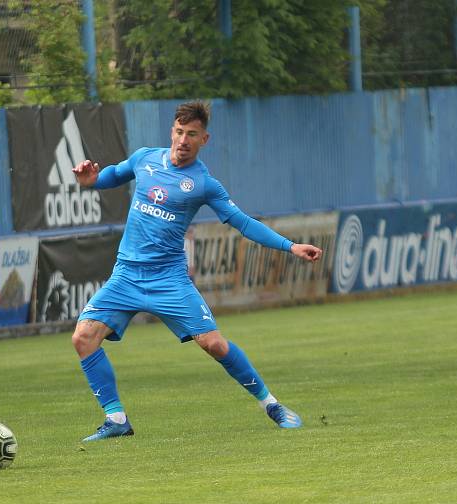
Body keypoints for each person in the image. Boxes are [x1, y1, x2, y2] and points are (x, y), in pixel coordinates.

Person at [71, 100, 322, 441]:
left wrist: (290, 246)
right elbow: (111, 176)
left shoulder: (204, 184)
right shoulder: (145, 158)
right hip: (126, 276)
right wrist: (91, 180)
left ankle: (272, 405)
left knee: (214, 345)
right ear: (171, 131)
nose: (183, 140)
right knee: (83, 338)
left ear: (205, 139)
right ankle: (116, 420)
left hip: (169, 279)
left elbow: (243, 223)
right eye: (178, 131)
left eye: (192, 134)